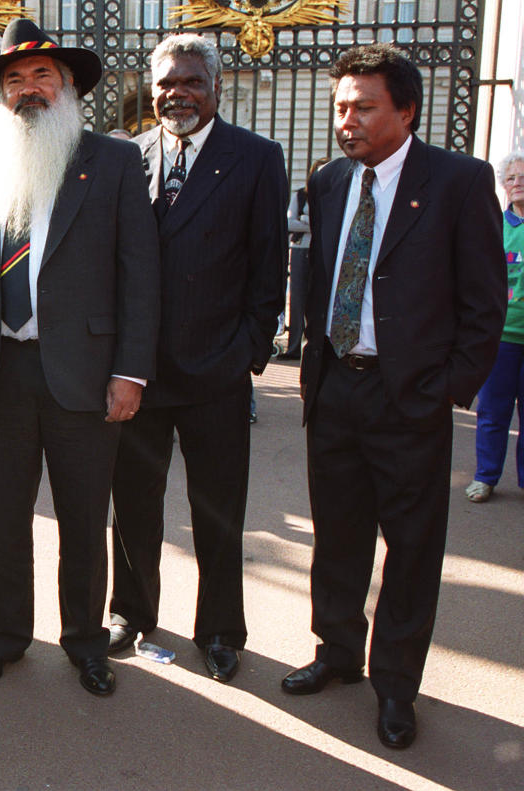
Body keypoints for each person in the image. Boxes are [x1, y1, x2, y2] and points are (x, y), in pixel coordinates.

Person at [281, 44, 505, 750]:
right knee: (337, 533)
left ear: (406, 110)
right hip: (337, 388)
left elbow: (484, 303)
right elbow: (320, 284)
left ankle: (396, 685)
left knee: (410, 548)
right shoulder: (326, 181)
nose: (346, 119)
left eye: (363, 106)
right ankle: (337, 651)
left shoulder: (459, 182)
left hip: (410, 398)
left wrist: (445, 390)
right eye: (340, 106)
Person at [0, 19, 160, 696]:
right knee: (5, 519)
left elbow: (140, 273)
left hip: (87, 377)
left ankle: (85, 643)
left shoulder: (114, 161)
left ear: (67, 87)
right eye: (14, 80)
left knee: (83, 521)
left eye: (42, 76)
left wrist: (131, 370)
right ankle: (4, 638)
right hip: (1, 375)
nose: (27, 89)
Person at [107, 33, 288, 685]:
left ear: (216, 86)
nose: (177, 94)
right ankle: (131, 613)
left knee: (218, 510)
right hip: (138, 374)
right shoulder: (127, 157)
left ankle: (219, 629)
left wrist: (247, 352)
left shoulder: (257, 158)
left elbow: (271, 267)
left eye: (191, 81)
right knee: (132, 504)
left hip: (216, 372)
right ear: (150, 90)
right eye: (166, 84)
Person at [466, 151, 524, 503]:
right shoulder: (495, 226)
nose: (518, 184)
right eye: (512, 178)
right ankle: (485, 476)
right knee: (492, 411)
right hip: (502, 337)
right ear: (503, 186)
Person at [281, 156, 330, 360]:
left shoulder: (334, 195)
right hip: (301, 250)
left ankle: (315, 348)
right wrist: (315, 225)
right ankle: (293, 348)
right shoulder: (300, 195)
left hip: (324, 252)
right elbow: (289, 223)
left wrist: (306, 220)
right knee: (297, 299)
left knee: (320, 300)